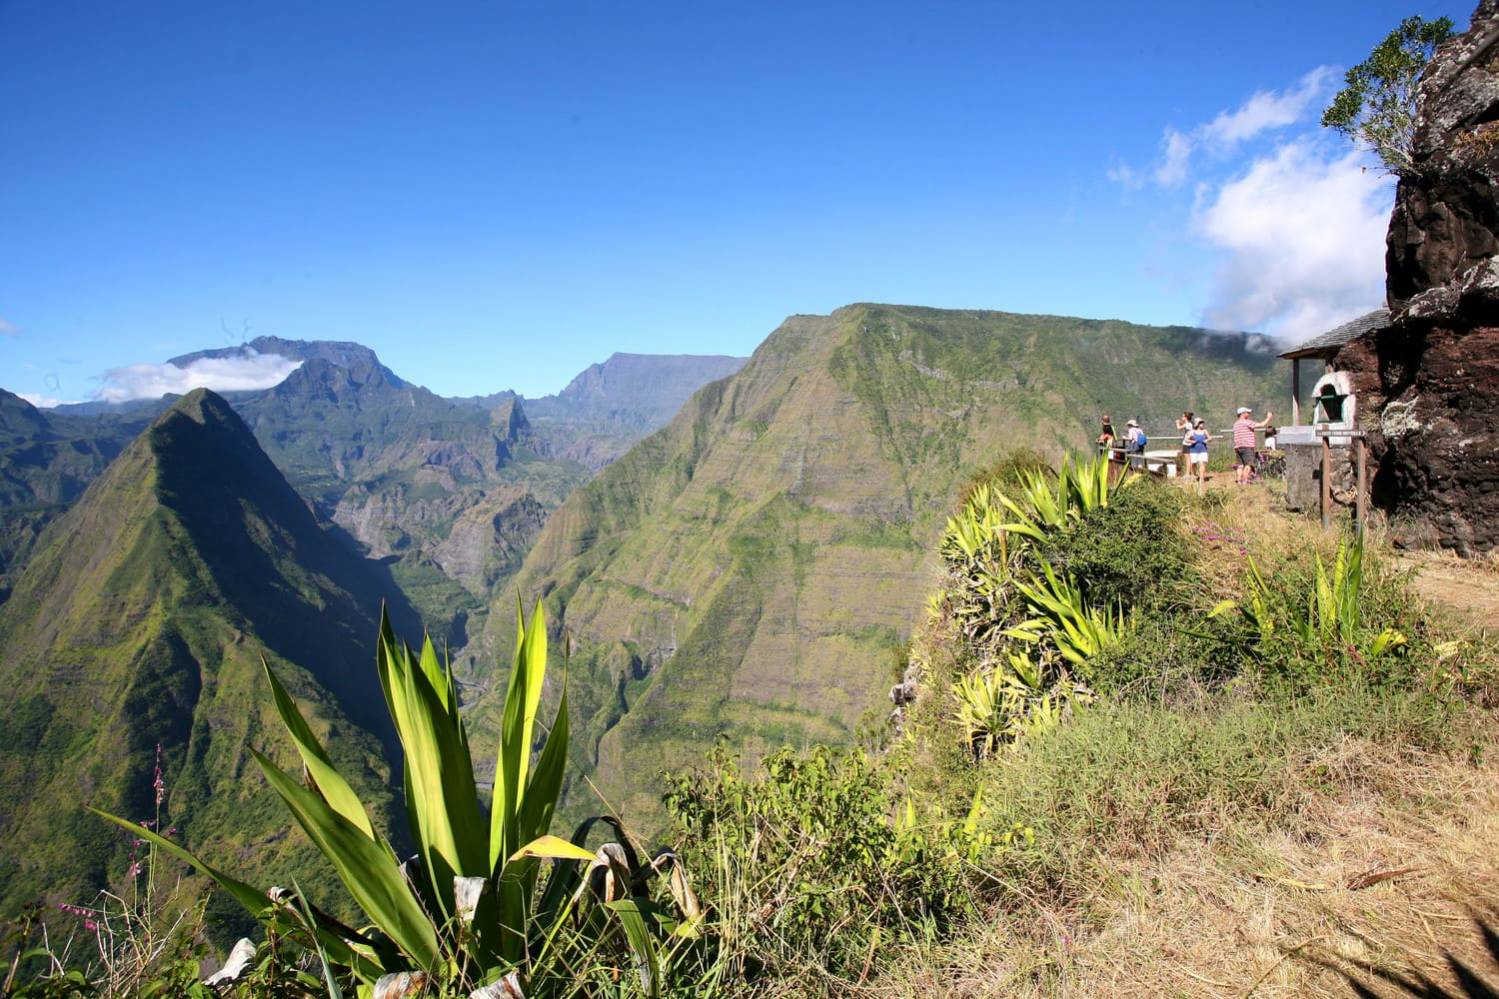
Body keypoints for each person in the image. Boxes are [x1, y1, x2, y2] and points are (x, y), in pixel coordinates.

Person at [1232, 405, 1274, 485]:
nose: (1248, 414)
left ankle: (1238, 481)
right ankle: (1245, 481)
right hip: (1247, 447)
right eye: (1247, 412)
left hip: (1238, 447)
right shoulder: (1247, 422)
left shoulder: (1236, 424)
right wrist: (1269, 417)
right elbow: (1261, 425)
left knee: (1240, 465)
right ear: (1243, 413)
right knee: (1249, 465)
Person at [1185, 418, 1210, 493]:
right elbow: (1186, 439)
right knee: (1194, 464)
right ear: (1197, 424)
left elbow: (1210, 437)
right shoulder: (1192, 432)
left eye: (1202, 423)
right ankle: (1194, 475)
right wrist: (1192, 441)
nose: (1202, 424)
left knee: (1202, 463)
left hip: (1203, 450)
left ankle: (1201, 478)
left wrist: (1207, 440)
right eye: (1201, 423)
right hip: (1194, 450)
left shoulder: (1204, 431)